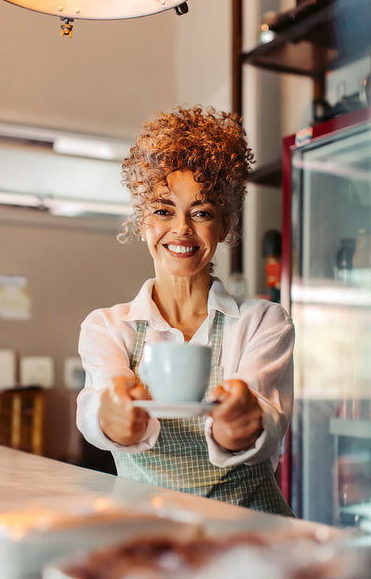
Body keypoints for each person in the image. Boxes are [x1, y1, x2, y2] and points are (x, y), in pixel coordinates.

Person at [76, 106, 294, 516]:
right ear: (142, 222)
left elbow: (266, 420)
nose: (181, 228)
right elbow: (96, 407)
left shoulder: (264, 322)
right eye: (163, 210)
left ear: (226, 224)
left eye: (202, 212)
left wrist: (242, 425)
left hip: (253, 537)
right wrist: (112, 417)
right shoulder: (107, 327)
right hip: (150, 534)